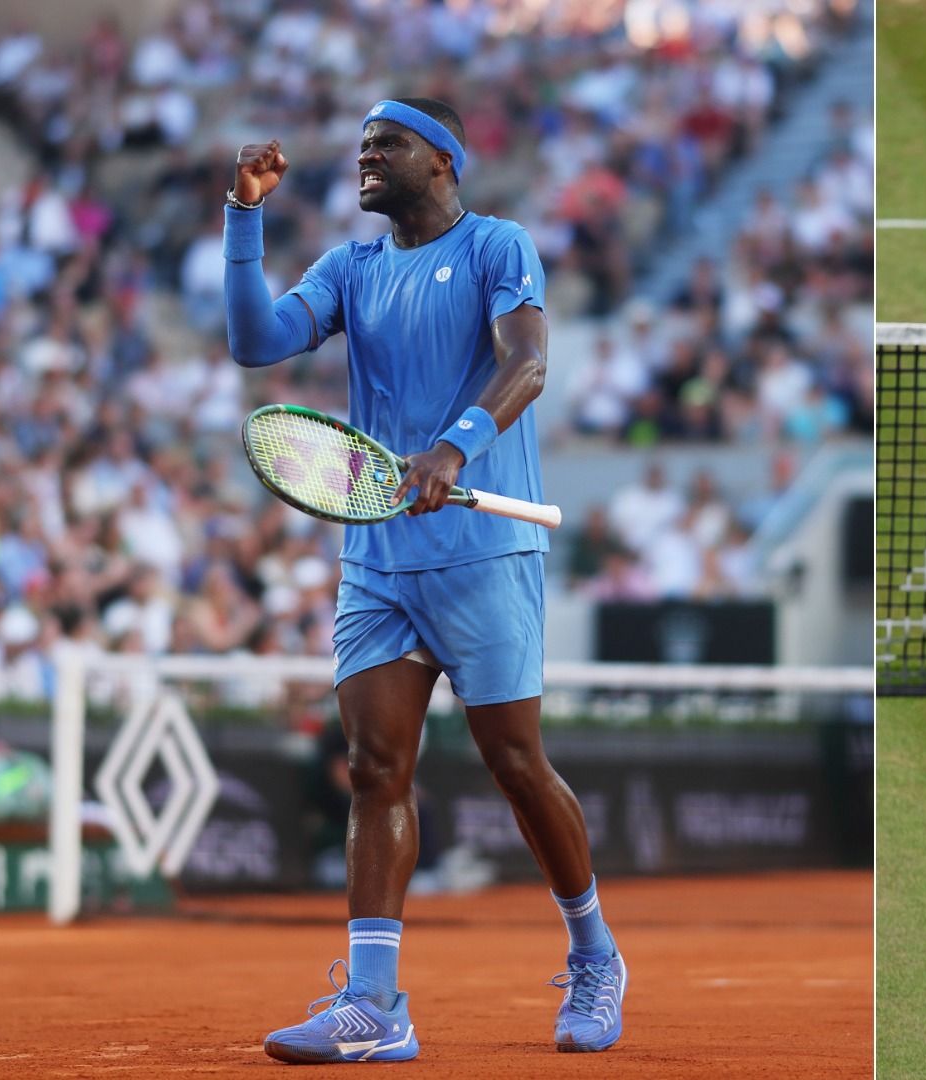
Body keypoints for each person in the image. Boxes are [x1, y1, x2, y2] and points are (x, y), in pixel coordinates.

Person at [223, 98, 626, 1063]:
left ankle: (594, 953)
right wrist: (243, 214)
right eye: (363, 144)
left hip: (486, 555)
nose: (366, 155)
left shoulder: (497, 245)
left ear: (442, 159)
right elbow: (254, 341)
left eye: (387, 143)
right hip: (378, 561)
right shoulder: (349, 267)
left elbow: (528, 363)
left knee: (515, 764)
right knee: (374, 769)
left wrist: (455, 447)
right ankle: (374, 1004)